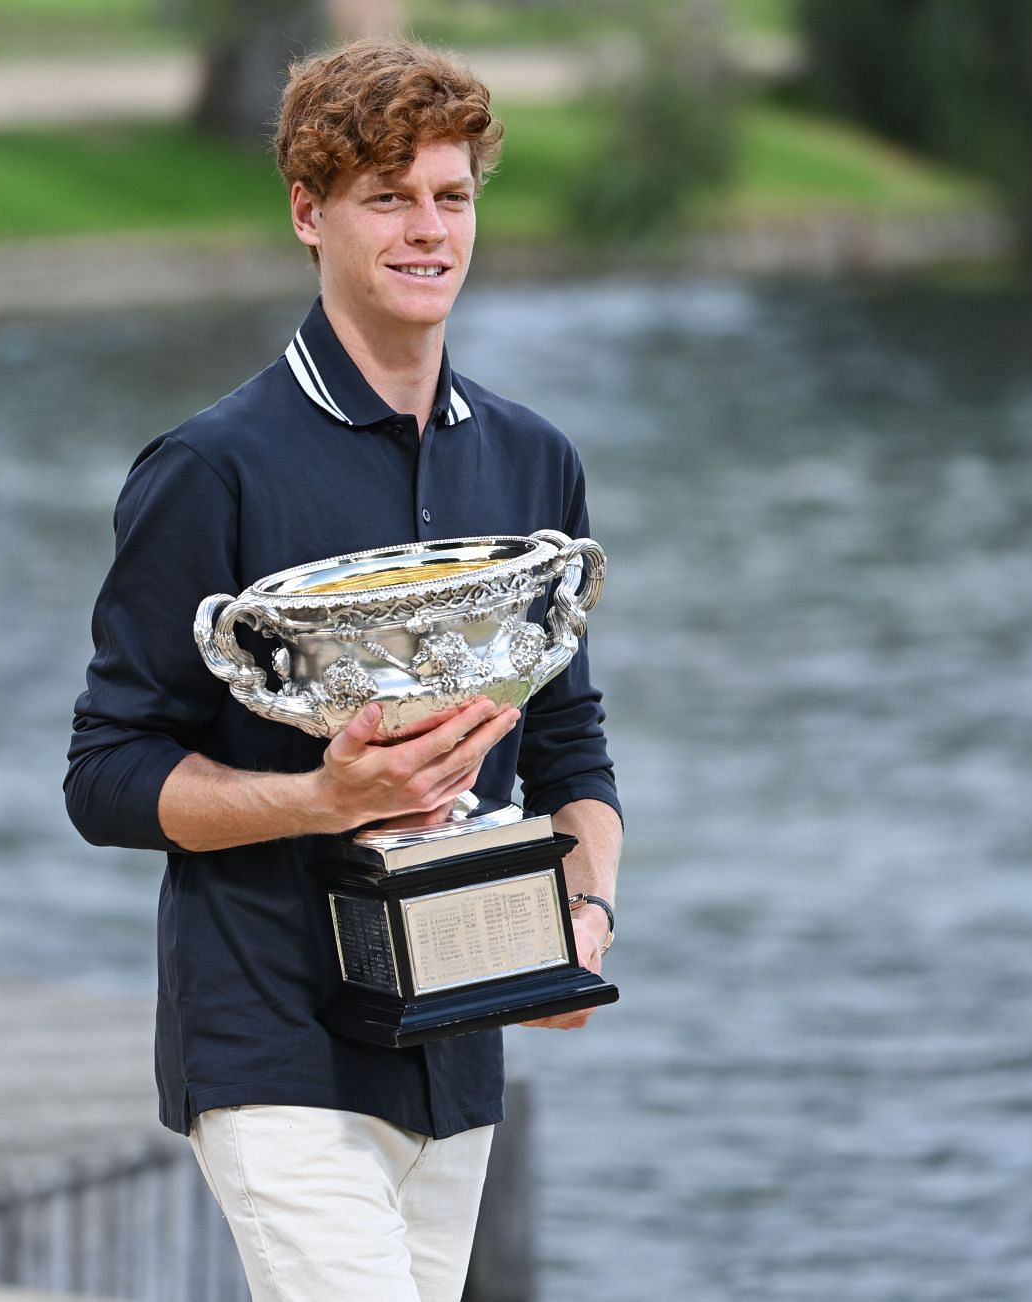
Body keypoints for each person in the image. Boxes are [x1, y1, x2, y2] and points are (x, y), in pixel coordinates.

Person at [63, 37, 621, 1302]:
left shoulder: (536, 466)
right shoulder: (210, 470)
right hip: (272, 1041)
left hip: (460, 1041)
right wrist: (324, 802)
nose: (429, 230)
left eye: (452, 195)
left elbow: (573, 739)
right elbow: (105, 774)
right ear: (309, 214)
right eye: (389, 197)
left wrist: (581, 922)